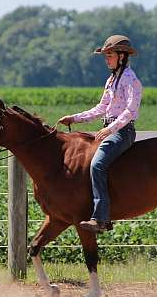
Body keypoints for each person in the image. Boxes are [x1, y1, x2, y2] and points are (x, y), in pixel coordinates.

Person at [58, 35, 142, 234]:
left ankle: (101, 218)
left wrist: (110, 129)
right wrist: (74, 118)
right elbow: (101, 108)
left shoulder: (131, 80)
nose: (106, 59)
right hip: (110, 130)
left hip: (123, 132)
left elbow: (131, 111)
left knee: (96, 164)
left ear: (122, 56)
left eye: (110, 55)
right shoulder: (112, 79)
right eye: (106, 56)